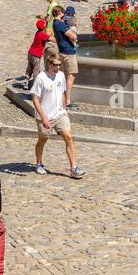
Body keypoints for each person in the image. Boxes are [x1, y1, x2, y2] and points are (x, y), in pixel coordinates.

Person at [31, 44, 83, 179]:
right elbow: (35, 99)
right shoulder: (41, 78)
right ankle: (39, 163)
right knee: (43, 139)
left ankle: (74, 168)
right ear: (49, 63)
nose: (58, 67)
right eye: (56, 65)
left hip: (60, 114)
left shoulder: (60, 76)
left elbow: (63, 91)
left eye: (60, 65)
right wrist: (43, 117)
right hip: (45, 116)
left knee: (69, 137)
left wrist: (64, 108)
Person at [52, 5, 79, 105]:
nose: (64, 15)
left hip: (62, 51)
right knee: (70, 76)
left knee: (62, 75)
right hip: (69, 53)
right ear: (59, 13)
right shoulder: (60, 24)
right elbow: (73, 36)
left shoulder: (55, 23)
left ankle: (61, 97)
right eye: (63, 13)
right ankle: (67, 101)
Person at [25, 17, 49, 85]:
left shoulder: (38, 32)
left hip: (30, 52)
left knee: (29, 67)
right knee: (36, 69)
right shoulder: (42, 34)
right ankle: (36, 83)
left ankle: (26, 81)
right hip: (36, 55)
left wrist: (45, 22)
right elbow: (49, 38)